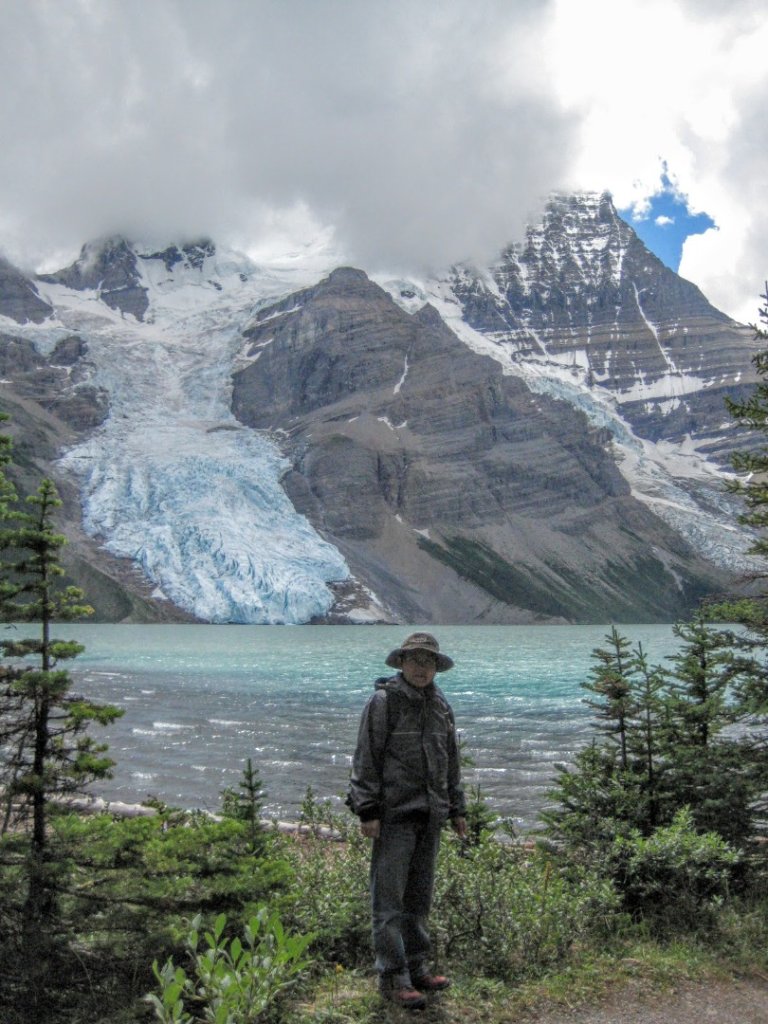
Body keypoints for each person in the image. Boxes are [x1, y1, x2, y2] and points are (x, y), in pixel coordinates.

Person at [347, 632, 467, 1010]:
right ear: (401, 663)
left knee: (419, 899)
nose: (421, 668)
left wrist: (457, 808)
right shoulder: (384, 702)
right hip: (395, 816)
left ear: (436, 667)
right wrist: (367, 809)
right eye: (414, 660)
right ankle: (393, 976)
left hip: (430, 815)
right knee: (388, 902)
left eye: (428, 662)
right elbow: (366, 757)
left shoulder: (440, 705)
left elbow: (450, 759)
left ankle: (417, 969)